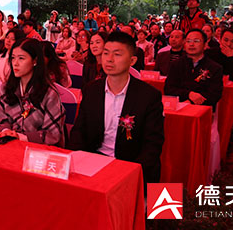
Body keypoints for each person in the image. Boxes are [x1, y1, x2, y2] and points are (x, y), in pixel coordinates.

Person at [69, 32, 164, 186]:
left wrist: (131, 173)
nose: (109, 59)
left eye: (117, 54)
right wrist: (78, 161)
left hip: (130, 166)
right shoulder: (92, 90)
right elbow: (79, 131)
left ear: (132, 61)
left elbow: (152, 144)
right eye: (106, 53)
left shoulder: (149, 96)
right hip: (94, 162)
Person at [0, 38, 65, 145]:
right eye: (13, 58)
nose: (15, 63)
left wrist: (21, 137)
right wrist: (5, 131)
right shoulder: (6, 88)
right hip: (9, 145)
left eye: (21, 58)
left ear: (35, 61)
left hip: (36, 150)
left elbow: (53, 134)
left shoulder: (49, 93)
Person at [165, 29, 223, 109]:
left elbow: (214, 95)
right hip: (178, 107)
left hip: (202, 109)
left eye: (196, 41)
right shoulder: (176, 64)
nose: (191, 44)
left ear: (205, 44)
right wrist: (189, 94)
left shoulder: (215, 68)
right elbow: (169, 89)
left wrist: (191, 102)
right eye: (188, 41)